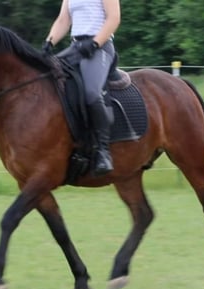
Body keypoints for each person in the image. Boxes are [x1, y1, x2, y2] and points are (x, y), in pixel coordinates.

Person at [42, 0, 121, 176]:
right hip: (75, 47)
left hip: (100, 48)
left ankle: (103, 150)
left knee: (92, 94)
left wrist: (95, 43)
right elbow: (63, 20)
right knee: (47, 82)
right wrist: (49, 42)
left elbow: (114, 18)